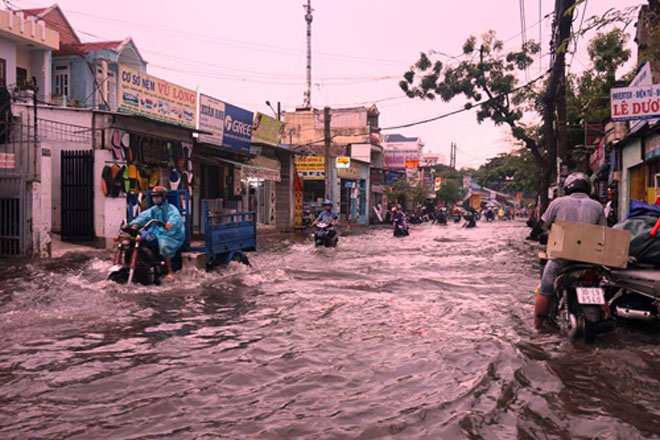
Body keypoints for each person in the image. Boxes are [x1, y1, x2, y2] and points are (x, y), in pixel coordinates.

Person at [534, 172, 606, 329]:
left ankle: (537, 329)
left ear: (567, 188)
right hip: (589, 259)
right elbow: (604, 232)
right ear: (588, 188)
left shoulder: (558, 202)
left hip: (561, 259)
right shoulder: (597, 206)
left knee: (545, 291)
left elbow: (543, 224)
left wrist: (536, 234)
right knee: (599, 286)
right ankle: (606, 315)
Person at [130, 186, 185, 282]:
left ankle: (170, 272)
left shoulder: (171, 208)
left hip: (170, 234)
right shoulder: (154, 209)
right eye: (154, 197)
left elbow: (175, 217)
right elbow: (144, 216)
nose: (155, 199)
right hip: (156, 231)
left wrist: (170, 224)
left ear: (163, 197)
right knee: (141, 238)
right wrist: (133, 224)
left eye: (157, 196)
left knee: (163, 246)